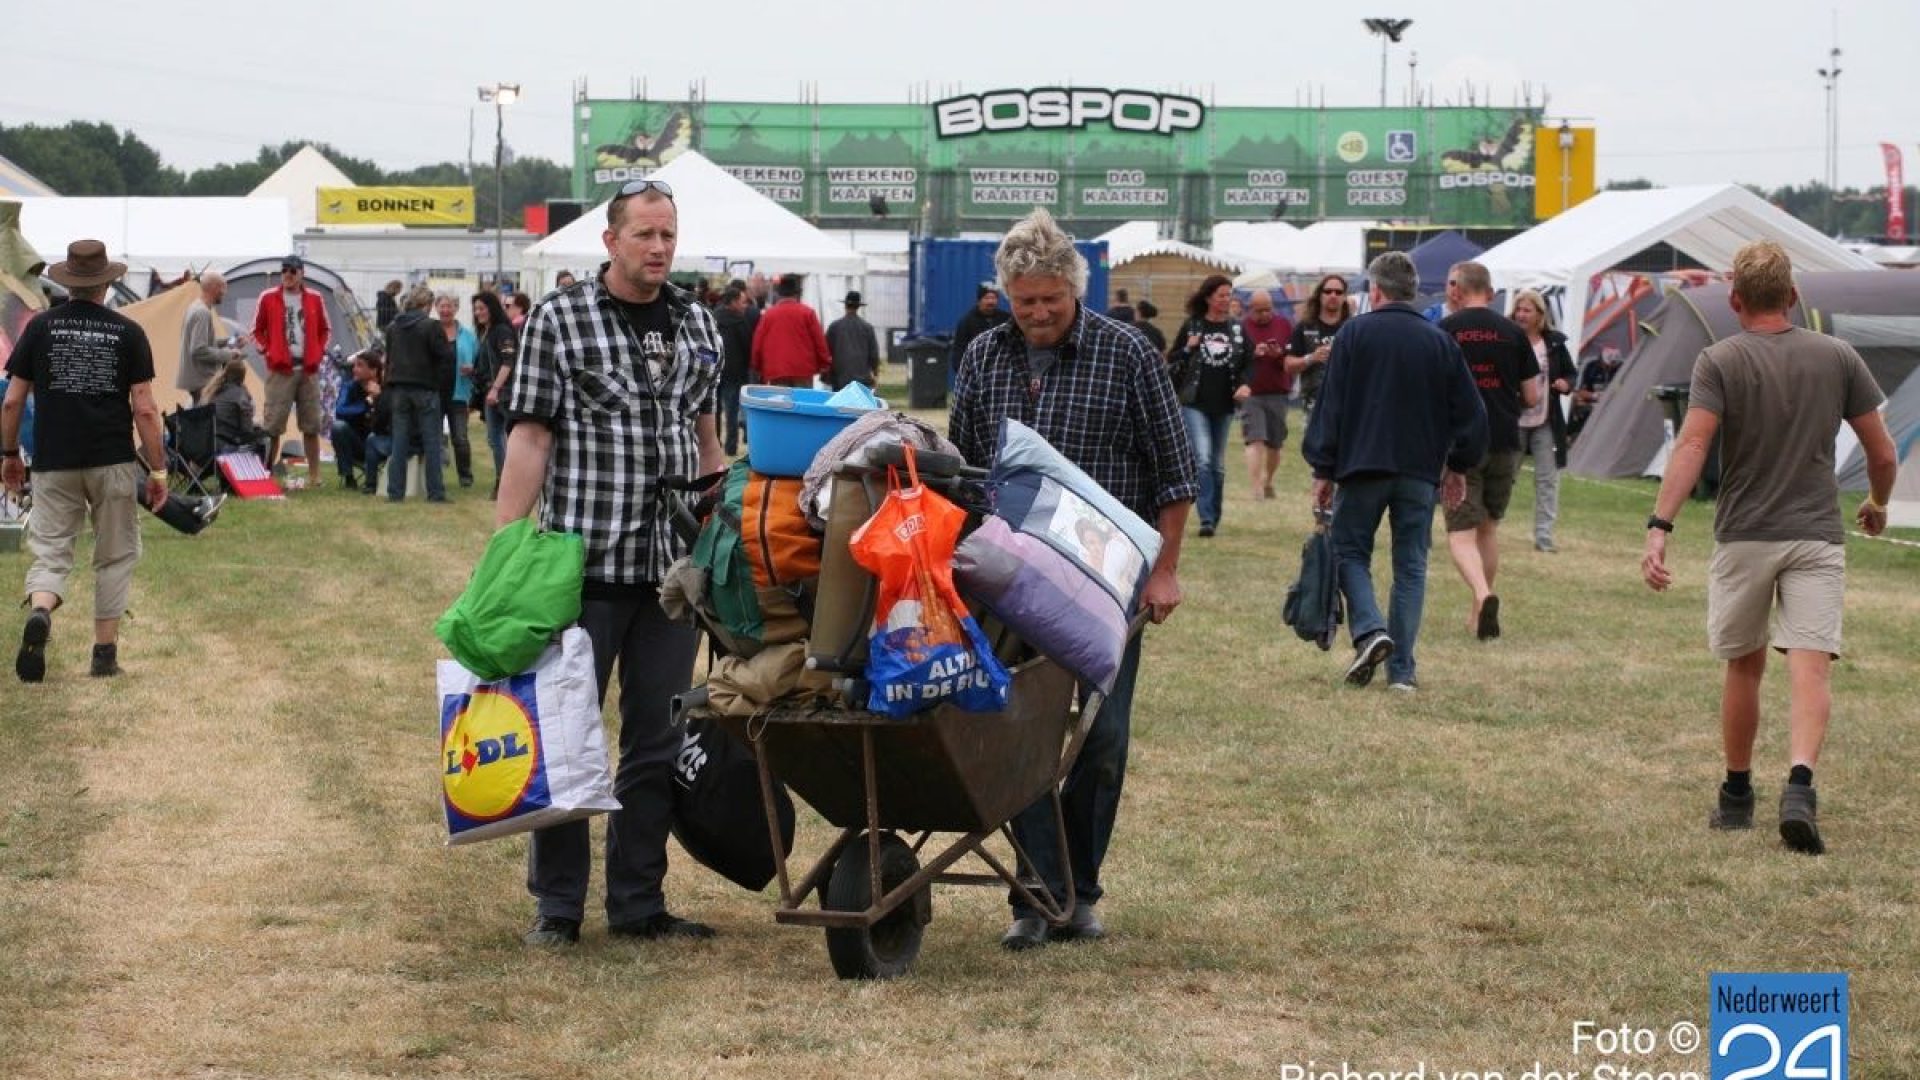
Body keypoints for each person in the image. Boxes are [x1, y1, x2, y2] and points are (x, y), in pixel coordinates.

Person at [948, 208, 1196, 951]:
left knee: (1101, 738)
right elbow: (962, 469)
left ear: (1074, 288)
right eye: (1025, 301)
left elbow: (1176, 473)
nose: (1038, 313)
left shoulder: (1129, 354)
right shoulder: (987, 355)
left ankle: (1080, 890)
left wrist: (1167, 572)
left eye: (1050, 298)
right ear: (1006, 295)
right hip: (1007, 576)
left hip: (1107, 581)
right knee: (1017, 732)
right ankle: (1035, 898)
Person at [497, 177, 726, 947]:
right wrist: (506, 548)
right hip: (580, 567)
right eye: (644, 235)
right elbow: (530, 438)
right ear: (611, 241)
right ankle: (557, 908)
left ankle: (638, 903)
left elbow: (705, 436)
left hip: (670, 576)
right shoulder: (560, 320)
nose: (659, 247)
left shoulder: (699, 323)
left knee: (656, 741)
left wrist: (717, 527)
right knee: (566, 738)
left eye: (668, 234)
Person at [1642, 240, 1897, 857]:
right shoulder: (1837, 356)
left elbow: (1694, 447)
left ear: (1734, 300)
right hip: (1815, 533)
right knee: (1809, 665)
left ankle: (1735, 796)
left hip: (1745, 534)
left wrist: (1661, 524)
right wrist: (1878, 503)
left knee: (1744, 664)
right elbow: (1882, 452)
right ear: (1794, 296)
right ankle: (1801, 785)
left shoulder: (1719, 360)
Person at [1302, 251, 1488, 692]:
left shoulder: (1352, 335)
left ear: (1377, 291)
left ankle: (1369, 631)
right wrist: (1458, 465)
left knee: (1349, 552)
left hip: (1362, 464)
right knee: (1411, 566)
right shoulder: (1440, 340)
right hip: (1419, 471)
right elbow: (1472, 413)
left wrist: (1323, 468)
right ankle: (1401, 671)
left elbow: (1332, 407)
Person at [2, 239, 169, 682]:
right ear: (106, 284)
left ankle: (41, 611)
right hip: (111, 458)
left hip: (54, 460)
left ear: (68, 283)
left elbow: (11, 401)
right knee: (114, 556)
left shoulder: (39, 329)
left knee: (52, 553)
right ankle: (103, 654)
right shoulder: (128, 332)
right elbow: (146, 408)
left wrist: (9, 456)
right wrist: (157, 469)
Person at [1439, 261, 1539, 640]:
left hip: (1460, 443)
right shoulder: (1514, 333)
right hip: (1504, 439)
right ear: (1491, 292)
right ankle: (1476, 612)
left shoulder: (1446, 331)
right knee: (1488, 528)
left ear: (1459, 291)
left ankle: (1483, 595)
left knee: (1460, 532)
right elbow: (1532, 395)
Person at [1165, 274, 1250, 538]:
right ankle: (1206, 519)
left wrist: (1246, 384)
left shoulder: (1236, 329)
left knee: (1218, 464)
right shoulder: (1193, 326)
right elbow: (1172, 360)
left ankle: (1214, 513)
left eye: (1229, 295)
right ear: (1209, 297)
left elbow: (1249, 359)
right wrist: (1189, 348)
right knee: (1202, 459)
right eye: (1222, 295)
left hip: (1224, 403)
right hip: (1194, 402)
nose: (1227, 300)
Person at [250, 254, 330, 488]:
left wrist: (318, 352)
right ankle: (266, 474)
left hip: (308, 370)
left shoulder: (315, 298)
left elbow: (325, 329)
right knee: (273, 425)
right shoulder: (268, 297)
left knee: (311, 425)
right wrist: (268, 350)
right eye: (284, 270)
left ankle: (315, 476)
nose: (288, 274)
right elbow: (256, 330)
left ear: (301, 273)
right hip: (280, 370)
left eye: (293, 271)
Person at [1510, 289, 1577, 552]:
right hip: (1513, 420)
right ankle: (1489, 527)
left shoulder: (1555, 344)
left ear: (1540, 315)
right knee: (1505, 477)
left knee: (1548, 479)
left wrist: (1566, 384)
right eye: (1519, 309)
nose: (1521, 315)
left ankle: (1544, 537)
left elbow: (1572, 374)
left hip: (1546, 421)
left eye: (1527, 310)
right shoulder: (1508, 339)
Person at [382, 286, 453, 503]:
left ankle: (395, 492)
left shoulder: (393, 327)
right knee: (432, 442)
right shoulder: (431, 326)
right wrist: (438, 385)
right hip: (426, 387)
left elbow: (389, 358)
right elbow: (445, 359)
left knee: (399, 442)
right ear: (427, 305)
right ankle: (435, 492)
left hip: (399, 388)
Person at [1237, 289, 1295, 500]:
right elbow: (1236, 359)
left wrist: (1278, 354)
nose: (1264, 314)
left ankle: (1268, 480)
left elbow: (1292, 357)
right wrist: (1253, 353)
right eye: (1259, 310)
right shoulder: (1241, 328)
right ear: (1249, 309)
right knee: (1255, 440)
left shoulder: (1284, 325)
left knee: (1275, 444)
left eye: (1268, 309)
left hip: (1278, 390)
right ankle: (1256, 489)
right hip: (1251, 392)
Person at [1286, 275, 1352, 418]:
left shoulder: (1353, 328)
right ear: (1319, 295)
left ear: (1345, 297)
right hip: (1314, 403)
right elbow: (1288, 365)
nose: (1333, 295)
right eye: (1328, 291)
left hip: (1348, 402)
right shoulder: (1304, 327)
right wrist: (1311, 358)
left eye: (1338, 292)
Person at [472, 291, 518, 495]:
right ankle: (503, 480)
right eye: (476, 309)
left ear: (492, 308)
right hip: (490, 392)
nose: (478, 312)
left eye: (482, 308)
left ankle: (508, 482)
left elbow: (508, 362)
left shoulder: (501, 330)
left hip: (503, 393)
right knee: (494, 438)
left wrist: (495, 389)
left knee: (507, 438)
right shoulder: (486, 332)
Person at [749, 273, 830, 388]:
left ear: (780, 294)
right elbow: (819, 341)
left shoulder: (768, 315)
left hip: (776, 370)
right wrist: (824, 364)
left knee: (781, 404)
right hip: (803, 370)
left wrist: (757, 366)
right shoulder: (807, 313)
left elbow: (758, 343)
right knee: (802, 403)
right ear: (797, 294)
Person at [177, 270, 242, 404]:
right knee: (205, 421)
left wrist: (230, 342)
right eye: (223, 288)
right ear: (214, 288)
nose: (225, 292)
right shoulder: (202, 313)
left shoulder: (196, 307)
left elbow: (204, 343)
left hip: (198, 380)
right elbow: (198, 350)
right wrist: (229, 355)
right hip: (202, 381)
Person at [435, 292, 478, 489]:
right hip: (434, 392)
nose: (445, 310)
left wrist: (472, 369)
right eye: (442, 306)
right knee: (433, 436)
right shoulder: (431, 331)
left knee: (460, 437)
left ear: (456, 309)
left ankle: (465, 476)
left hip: (459, 392)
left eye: (449, 306)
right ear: (436, 308)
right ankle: (434, 476)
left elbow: (477, 361)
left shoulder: (468, 335)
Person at [202, 357, 272, 461]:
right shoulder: (240, 395)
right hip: (227, 446)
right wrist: (259, 426)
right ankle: (262, 473)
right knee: (265, 438)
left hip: (208, 446)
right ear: (242, 377)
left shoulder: (213, 391)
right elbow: (247, 430)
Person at [330, 347, 382, 488]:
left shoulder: (385, 387)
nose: (354, 370)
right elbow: (340, 411)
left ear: (373, 371)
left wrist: (379, 398)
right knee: (338, 427)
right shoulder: (349, 386)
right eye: (354, 365)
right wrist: (367, 402)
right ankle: (348, 477)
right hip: (358, 443)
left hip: (381, 442)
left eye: (360, 366)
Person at [712, 285, 753, 456]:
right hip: (734, 372)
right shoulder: (740, 321)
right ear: (734, 302)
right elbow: (747, 347)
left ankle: (714, 443)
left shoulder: (712, 317)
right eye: (742, 302)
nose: (744, 306)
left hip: (714, 370)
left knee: (713, 410)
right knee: (732, 411)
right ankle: (730, 447)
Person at [824, 289, 881, 391]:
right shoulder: (867, 328)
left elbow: (825, 352)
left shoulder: (834, 327)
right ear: (858, 306)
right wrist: (875, 373)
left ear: (845, 306)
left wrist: (826, 374)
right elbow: (874, 355)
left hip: (839, 377)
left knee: (840, 405)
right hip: (862, 378)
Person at [949, 283, 1010, 374]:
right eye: (986, 298)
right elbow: (959, 351)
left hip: (1002, 372)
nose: (990, 302)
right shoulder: (966, 322)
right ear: (979, 301)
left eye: (993, 298)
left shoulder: (1006, 319)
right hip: (976, 372)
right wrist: (964, 373)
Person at [1568, 348, 1623, 443]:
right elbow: (1577, 392)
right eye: (1607, 365)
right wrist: (1595, 396)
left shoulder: (1622, 367)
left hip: (1613, 404)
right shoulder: (1590, 365)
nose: (1609, 368)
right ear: (1600, 359)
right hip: (1590, 402)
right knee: (1577, 402)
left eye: (1613, 366)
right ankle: (1572, 434)